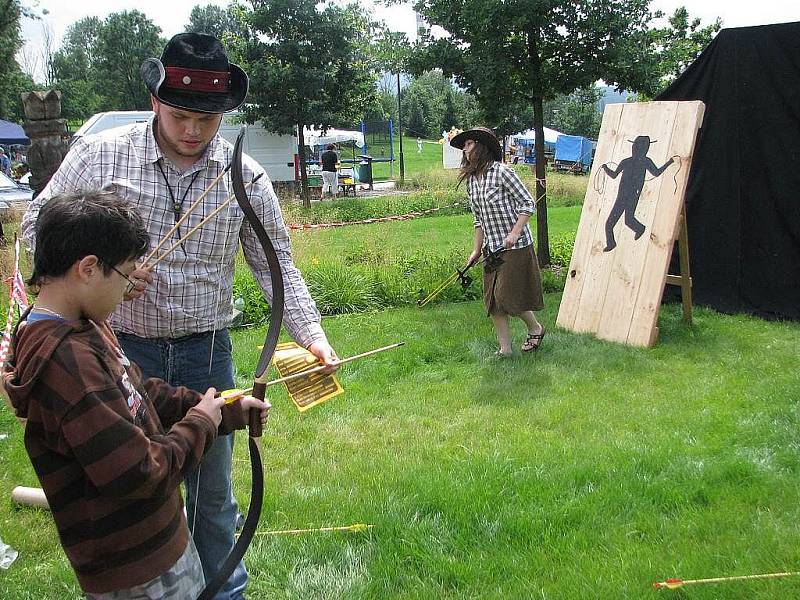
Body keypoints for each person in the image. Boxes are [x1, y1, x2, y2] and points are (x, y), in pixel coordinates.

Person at [21, 32, 339, 599]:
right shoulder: (102, 155)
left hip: (206, 349)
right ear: (155, 102)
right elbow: (36, 228)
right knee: (142, 488)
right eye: (180, 115)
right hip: (124, 352)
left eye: (207, 119)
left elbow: (276, 266)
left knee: (213, 494)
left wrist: (310, 336)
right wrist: (102, 271)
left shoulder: (243, 175)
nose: (193, 132)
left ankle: (221, 589)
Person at [4, 190, 270, 598]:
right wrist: (201, 423)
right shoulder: (66, 363)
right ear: (88, 268)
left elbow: (134, 391)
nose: (129, 287)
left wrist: (222, 409)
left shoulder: (79, 323)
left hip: (155, 546)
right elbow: (139, 474)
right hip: (136, 571)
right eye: (126, 274)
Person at [450, 127, 545, 357]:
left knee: (506, 295)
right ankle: (505, 349)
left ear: (482, 147)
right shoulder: (471, 181)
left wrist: (514, 232)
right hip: (491, 247)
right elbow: (479, 219)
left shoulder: (503, 172)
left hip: (516, 245)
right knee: (493, 299)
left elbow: (527, 203)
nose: (465, 148)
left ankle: (535, 328)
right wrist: (475, 250)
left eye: (469, 143)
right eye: (464, 145)